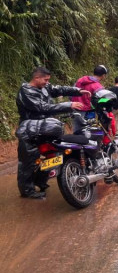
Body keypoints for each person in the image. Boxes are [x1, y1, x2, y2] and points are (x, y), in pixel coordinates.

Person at [15, 67, 89, 199]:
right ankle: (27, 191)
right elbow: (42, 107)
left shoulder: (45, 87)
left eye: (48, 80)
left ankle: (40, 180)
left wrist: (77, 90)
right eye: (45, 80)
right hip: (29, 129)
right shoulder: (26, 91)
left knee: (54, 156)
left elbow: (58, 89)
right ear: (37, 78)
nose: (47, 82)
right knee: (28, 161)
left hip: (46, 128)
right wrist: (68, 105)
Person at [71, 65, 108, 132]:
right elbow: (101, 101)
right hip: (89, 111)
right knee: (88, 131)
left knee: (77, 130)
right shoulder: (98, 86)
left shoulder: (80, 80)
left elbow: (71, 92)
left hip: (76, 108)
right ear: (103, 75)